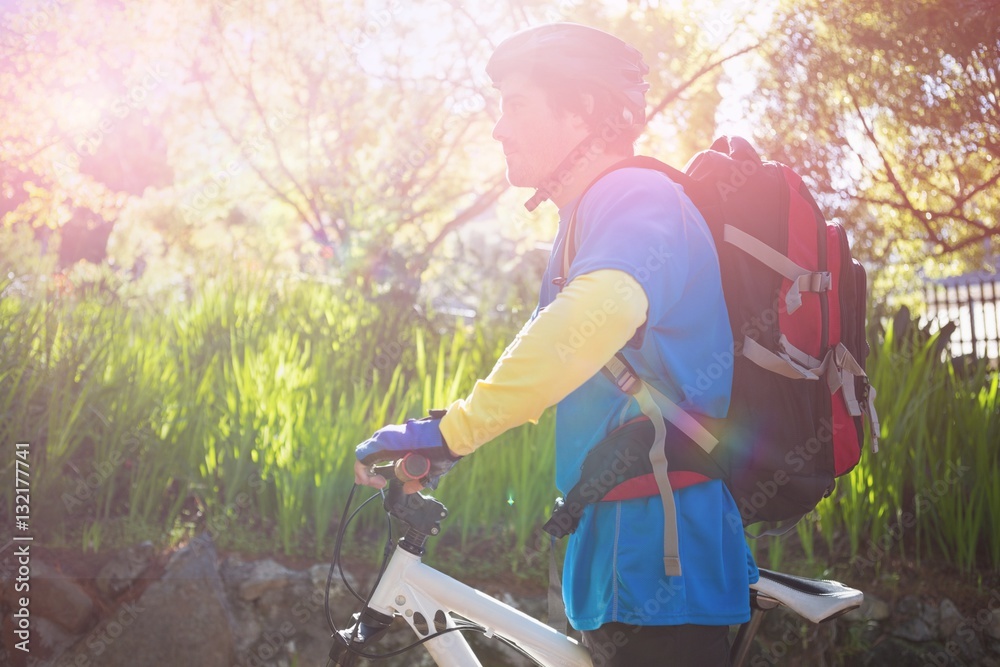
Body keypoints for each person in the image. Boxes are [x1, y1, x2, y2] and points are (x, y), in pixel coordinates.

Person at [354, 22, 758, 666]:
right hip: (622, 556)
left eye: (516, 104)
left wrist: (452, 432)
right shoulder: (590, 217)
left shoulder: (637, 196)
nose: (498, 128)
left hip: (663, 562)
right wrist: (445, 440)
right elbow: (558, 351)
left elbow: (587, 325)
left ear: (585, 110)